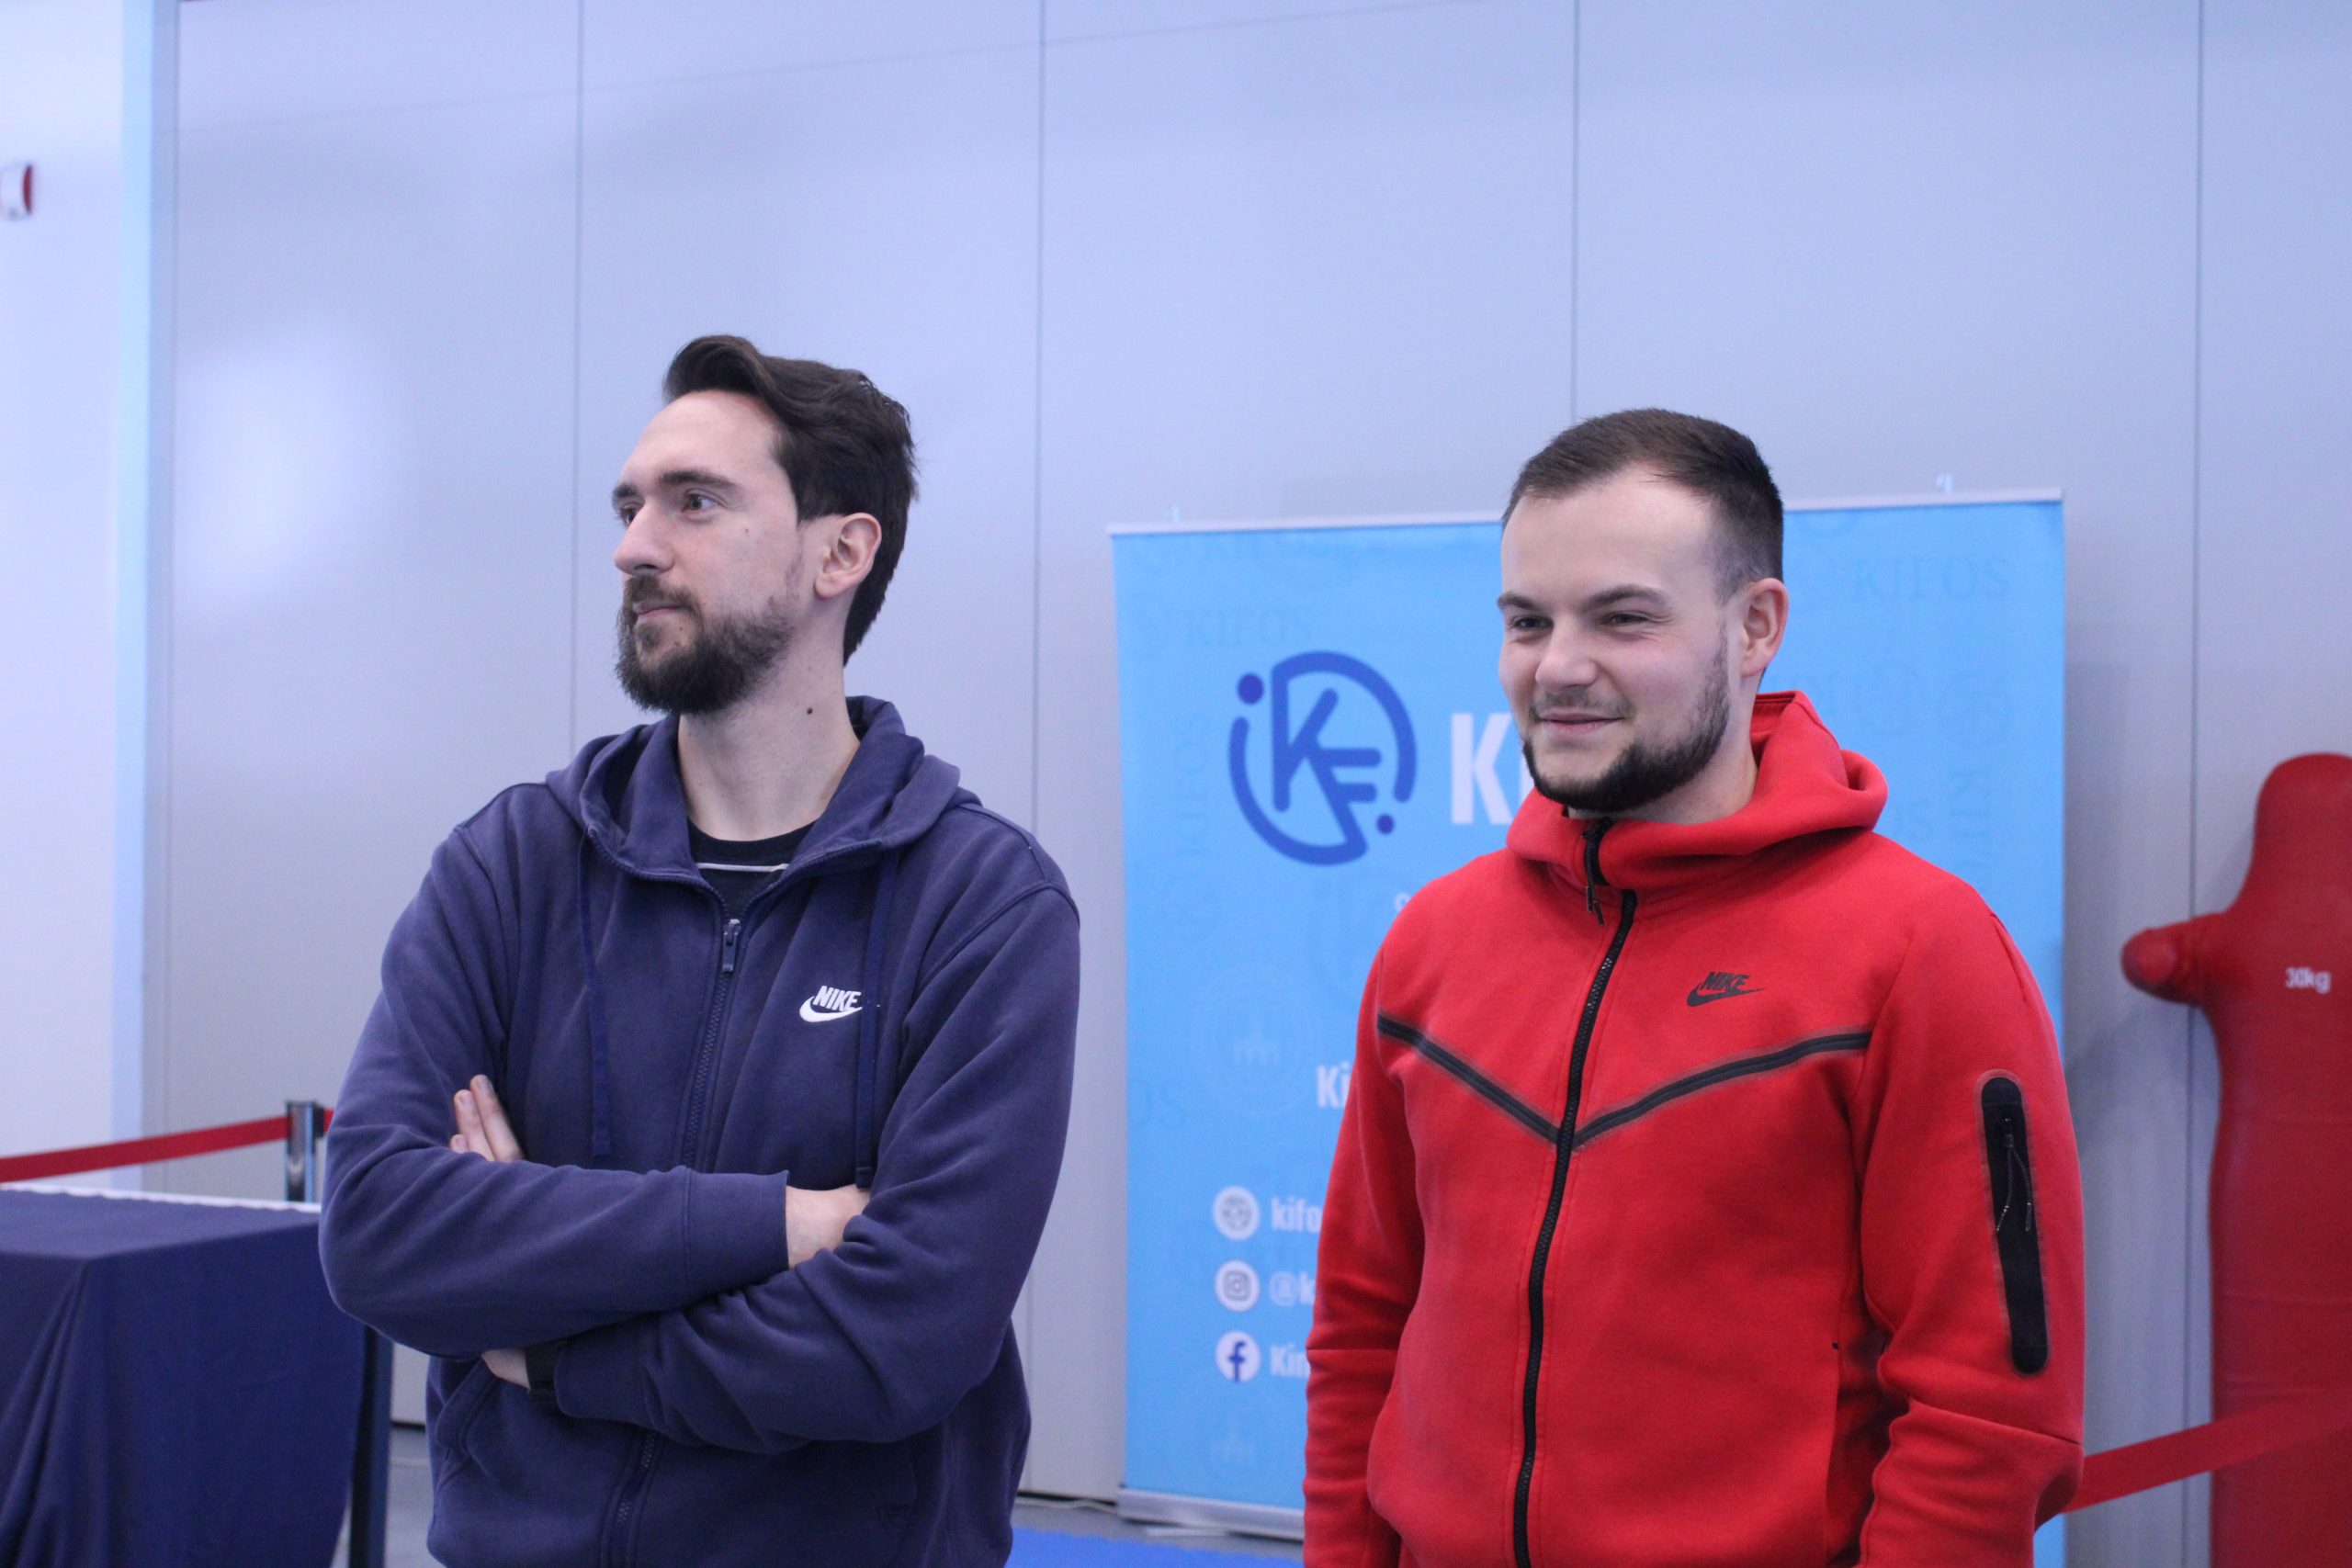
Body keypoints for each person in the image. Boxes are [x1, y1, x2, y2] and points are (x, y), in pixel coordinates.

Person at [320, 336, 1080, 1568]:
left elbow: (902, 1336)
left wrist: (553, 1347)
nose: (635, 546)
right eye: (630, 506)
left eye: (696, 502)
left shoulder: (981, 903)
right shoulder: (512, 865)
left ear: (841, 553)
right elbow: (378, 1227)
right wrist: (774, 1223)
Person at [1304, 410, 2084, 1567]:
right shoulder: (1435, 939)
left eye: (1622, 617)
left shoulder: (1920, 948)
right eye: (1527, 621)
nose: (1557, 667)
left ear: (1754, 627)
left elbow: (1989, 1407)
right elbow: (1363, 1323)